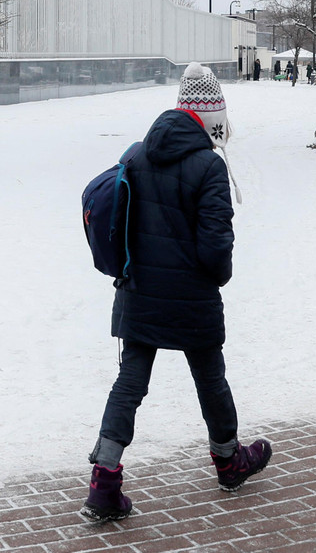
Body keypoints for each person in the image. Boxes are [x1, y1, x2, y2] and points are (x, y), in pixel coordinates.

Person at [81, 63, 271, 522]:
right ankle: (229, 462)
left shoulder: (137, 153)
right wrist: (219, 275)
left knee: (129, 383)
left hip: (139, 293)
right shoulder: (209, 165)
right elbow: (215, 248)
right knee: (210, 378)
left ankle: (104, 482)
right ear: (211, 118)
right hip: (191, 298)